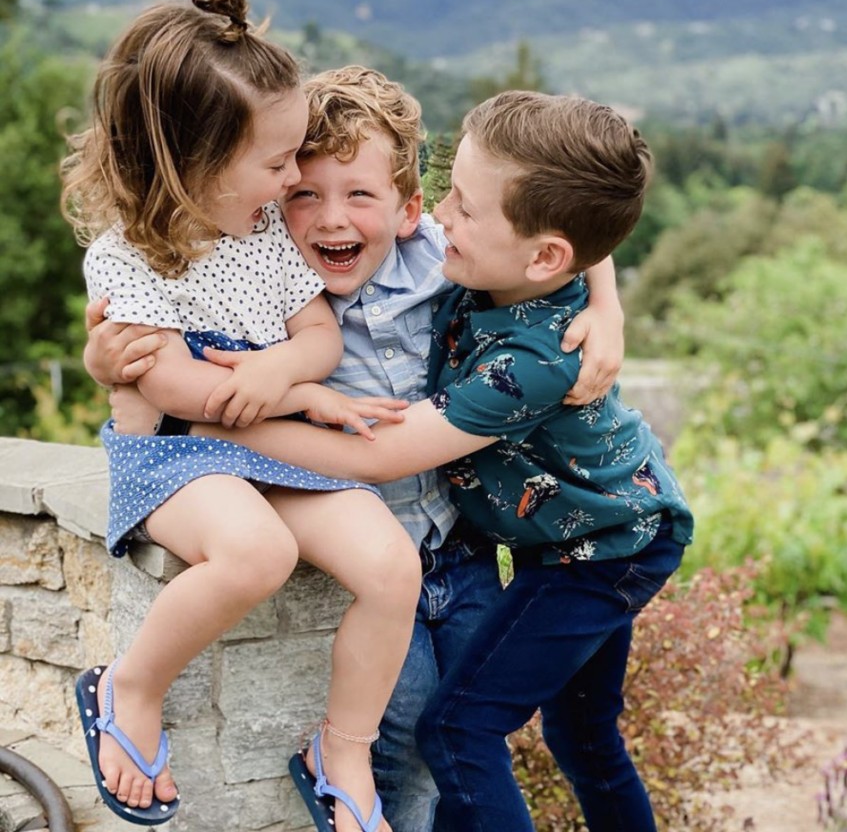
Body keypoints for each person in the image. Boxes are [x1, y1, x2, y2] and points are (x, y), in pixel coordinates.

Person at [111, 89, 694, 831]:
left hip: (604, 543)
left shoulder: (497, 316)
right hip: (548, 541)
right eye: (300, 190)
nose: (445, 212)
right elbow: (210, 178)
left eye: (461, 203)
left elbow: (385, 452)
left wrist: (212, 428)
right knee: (568, 734)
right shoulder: (308, 258)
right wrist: (121, 350)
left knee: (460, 730)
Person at [61, 0, 421, 832]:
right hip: (177, 454)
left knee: (389, 566)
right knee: (256, 552)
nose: (293, 178)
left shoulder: (262, 233)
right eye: (277, 162)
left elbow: (319, 335)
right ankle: (130, 687)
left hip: (273, 439)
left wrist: (293, 375)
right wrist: (293, 390)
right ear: (194, 160)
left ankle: (341, 745)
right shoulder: (129, 258)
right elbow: (174, 388)